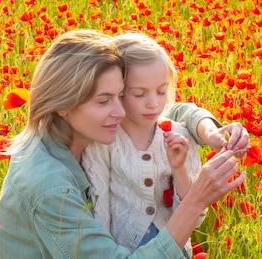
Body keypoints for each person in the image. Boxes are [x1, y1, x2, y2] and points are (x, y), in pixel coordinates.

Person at [0, 29, 247, 259]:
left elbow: (164, 112)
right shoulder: (49, 187)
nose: (121, 112)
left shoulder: (65, 133)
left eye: (120, 96)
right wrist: (195, 201)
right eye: (104, 101)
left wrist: (208, 129)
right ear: (63, 104)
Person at [82, 32, 202, 253]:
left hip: (173, 249)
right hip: (122, 251)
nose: (153, 103)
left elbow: (194, 218)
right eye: (139, 94)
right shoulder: (103, 142)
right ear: (118, 92)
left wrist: (179, 170)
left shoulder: (180, 136)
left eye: (162, 91)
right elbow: (100, 212)